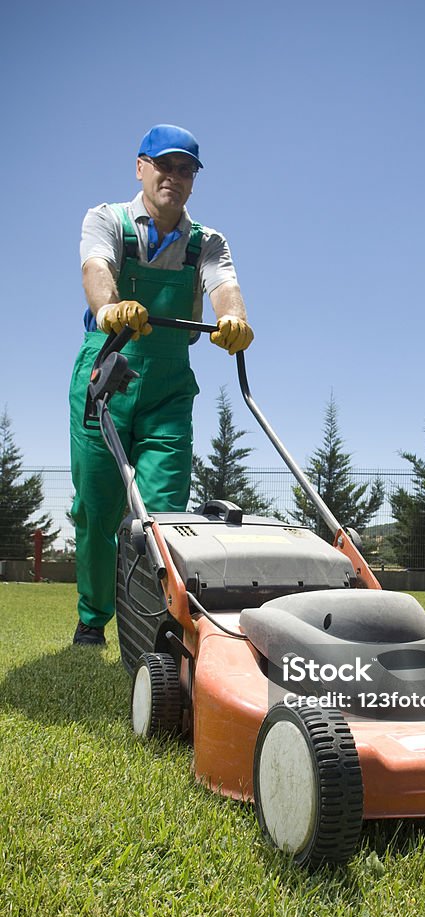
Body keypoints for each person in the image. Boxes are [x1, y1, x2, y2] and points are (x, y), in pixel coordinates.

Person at [69, 124, 253, 646]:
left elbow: (226, 287)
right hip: (106, 372)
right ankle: (92, 618)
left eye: (185, 169)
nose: (173, 176)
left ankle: (154, 627)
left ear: (194, 180)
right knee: (98, 506)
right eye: (164, 165)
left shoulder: (206, 242)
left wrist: (234, 320)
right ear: (140, 167)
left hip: (170, 386)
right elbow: (95, 267)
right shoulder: (107, 219)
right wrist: (110, 308)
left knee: (163, 513)